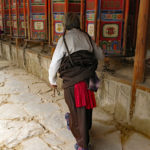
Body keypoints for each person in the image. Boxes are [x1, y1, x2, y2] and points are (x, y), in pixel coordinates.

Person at [49, 13, 104, 150]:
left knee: (77, 110)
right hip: (91, 79)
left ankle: (82, 145)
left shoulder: (64, 40)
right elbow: (100, 55)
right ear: (79, 23)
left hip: (75, 81)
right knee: (87, 108)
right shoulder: (87, 37)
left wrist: (52, 80)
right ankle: (83, 126)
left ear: (66, 25)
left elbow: (55, 62)